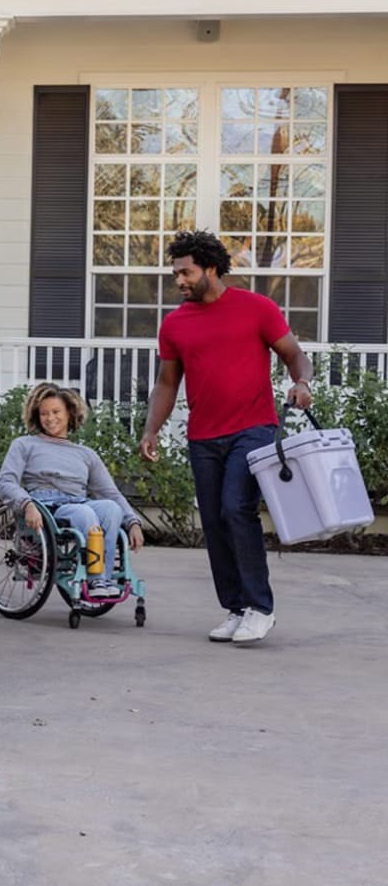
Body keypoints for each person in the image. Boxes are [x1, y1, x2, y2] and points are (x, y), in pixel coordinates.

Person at [139, 230, 313, 647]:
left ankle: (260, 607)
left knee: (237, 509)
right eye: (176, 273)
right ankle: (236, 608)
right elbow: (167, 383)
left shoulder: (256, 308)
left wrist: (302, 382)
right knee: (215, 521)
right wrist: (151, 429)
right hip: (204, 436)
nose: (179, 281)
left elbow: (293, 353)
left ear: (211, 268)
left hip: (253, 428)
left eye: (186, 272)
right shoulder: (175, 323)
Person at [0, 383, 146, 597]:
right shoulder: (24, 445)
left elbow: (110, 493)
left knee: (111, 509)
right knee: (85, 513)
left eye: (56, 412)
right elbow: (6, 482)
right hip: (45, 506)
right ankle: (96, 582)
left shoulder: (85, 454)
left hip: (78, 501)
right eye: (44, 413)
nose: (50, 418)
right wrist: (26, 503)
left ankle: (102, 579)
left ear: (69, 414)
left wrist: (133, 522)